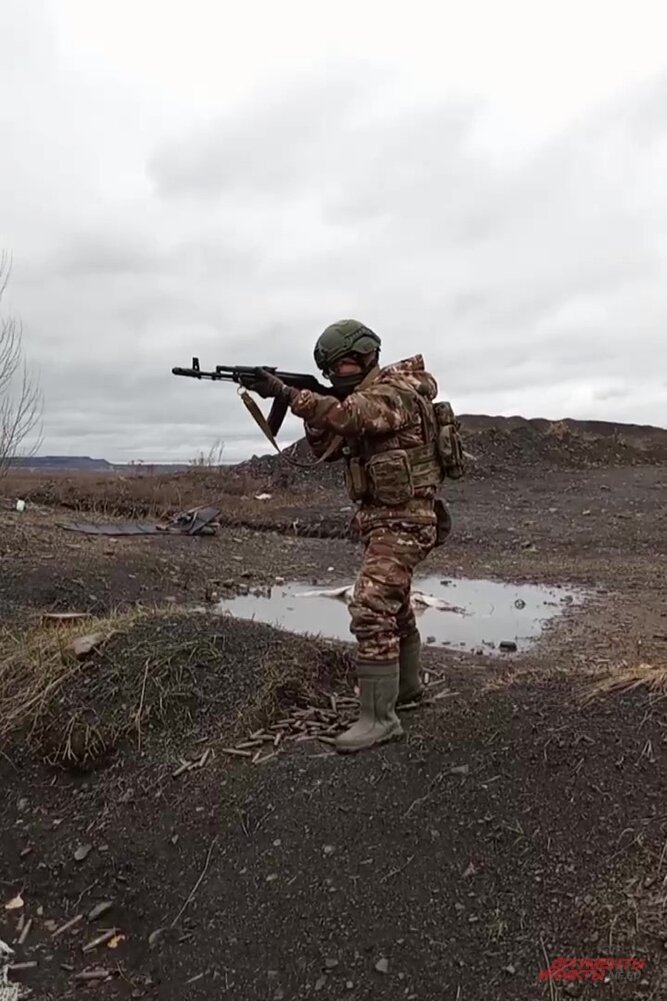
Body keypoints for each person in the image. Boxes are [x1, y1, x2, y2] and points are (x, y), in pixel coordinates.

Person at [243, 319, 459, 753]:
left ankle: (379, 719)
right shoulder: (366, 394)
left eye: (339, 367)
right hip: (385, 520)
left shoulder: (395, 393)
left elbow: (351, 414)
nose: (334, 377)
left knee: (371, 603)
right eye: (329, 372)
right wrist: (311, 411)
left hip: (408, 521)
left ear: (364, 356)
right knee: (393, 602)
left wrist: (289, 396)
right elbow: (332, 442)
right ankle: (407, 687)